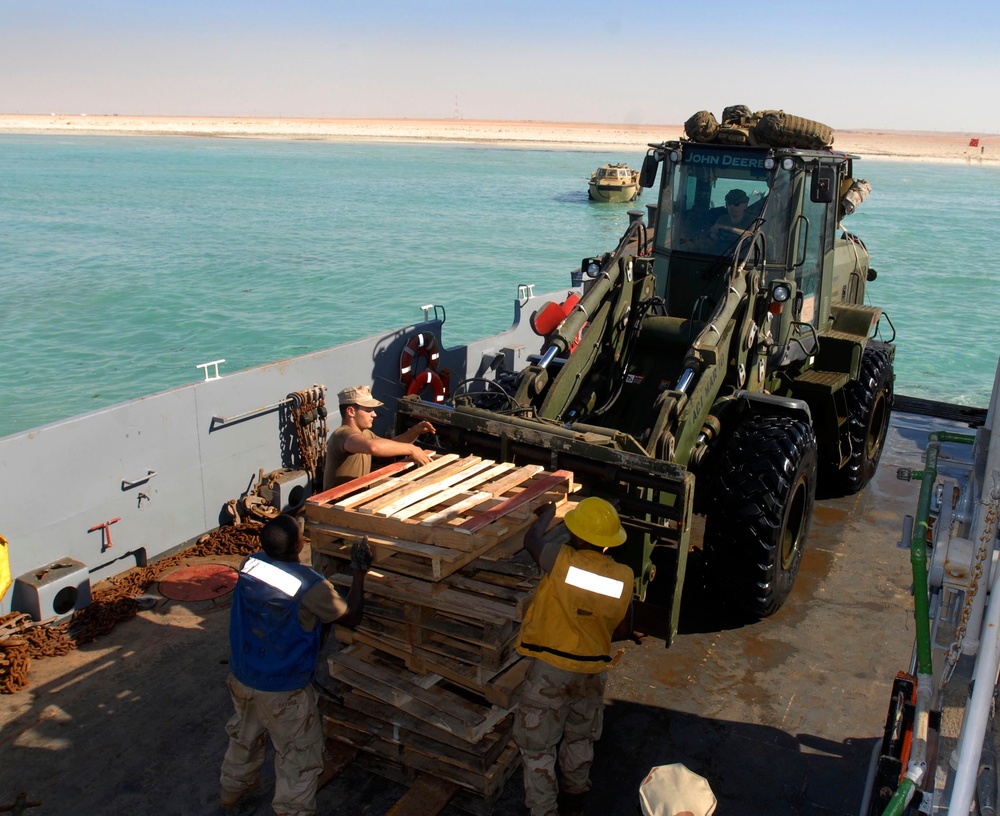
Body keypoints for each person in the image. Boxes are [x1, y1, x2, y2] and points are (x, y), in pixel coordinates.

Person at [219, 514, 373, 815]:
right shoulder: (310, 586)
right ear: (297, 546)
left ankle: (231, 791)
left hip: (243, 676)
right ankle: (292, 810)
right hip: (283, 691)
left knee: (244, 738)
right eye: (302, 535)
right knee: (299, 758)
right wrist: (359, 572)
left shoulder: (250, 563)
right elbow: (351, 616)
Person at [513, 498, 635, 816]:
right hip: (592, 673)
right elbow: (623, 629)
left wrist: (549, 513)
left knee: (538, 749)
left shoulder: (561, 560)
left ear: (576, 536)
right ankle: (576, 802)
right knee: (580, 739)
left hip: (551, 673)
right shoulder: (623, 577)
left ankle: (544, 811)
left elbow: (531, 540)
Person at [322, 384, 436, 489]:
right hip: (336, 504)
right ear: (351, 411)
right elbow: (374, 447)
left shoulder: (365, 433)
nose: (374, 414)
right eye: (368, 410)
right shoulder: (343, 435)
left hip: (356, 498)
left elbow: (391, 444)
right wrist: (412, 450)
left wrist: (415, 431)